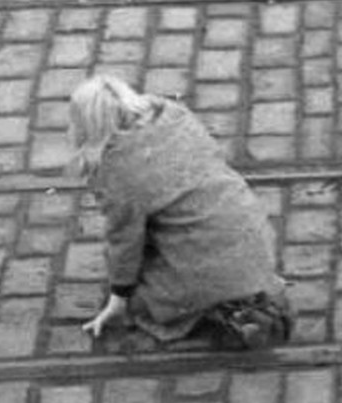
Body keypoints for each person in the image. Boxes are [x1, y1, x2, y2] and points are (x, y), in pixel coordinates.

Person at [69, 74, 293, 350]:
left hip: (207, 263)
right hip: (252, 232)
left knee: (143, 303)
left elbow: (124, 243)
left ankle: (228, 311)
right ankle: (248, 287)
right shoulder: (174, 114)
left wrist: (119, 298)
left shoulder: (116, 171)